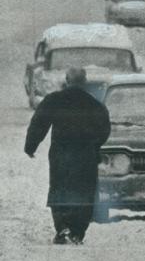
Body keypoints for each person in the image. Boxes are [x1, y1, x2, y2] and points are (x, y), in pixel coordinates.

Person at [23, 66, 112, 244]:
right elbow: (104, 130)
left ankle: (62, 226)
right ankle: (78, 231)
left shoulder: (54, 100)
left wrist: (30, 146)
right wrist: (95, 145)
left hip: (61, 153)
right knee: (84, 191)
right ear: (85, 82)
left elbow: (39, 123)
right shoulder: (95, 104)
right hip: (85, 155)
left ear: (66, 80)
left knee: (59, 187)